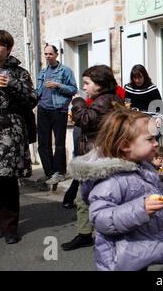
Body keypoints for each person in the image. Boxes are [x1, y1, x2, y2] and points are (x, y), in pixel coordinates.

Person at [69, 108, 163, 270]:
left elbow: (162, 197)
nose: (156, 143)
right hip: (118, 260)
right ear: (126, 145)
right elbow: (100, 218)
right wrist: (141, 209)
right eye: (150, 139)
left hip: (138, 252)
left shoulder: (145, 169)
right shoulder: (110, 180)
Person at [0, 29, 38, 248]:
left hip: (9, 133)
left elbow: (32, 99)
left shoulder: (18, 73)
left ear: (8, 49)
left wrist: (10, 86)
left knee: (7, 184)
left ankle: (9, 228)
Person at [61, 65, 124, 251]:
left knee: (85, 198)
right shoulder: (109, 99)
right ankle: (90, 234)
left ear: (100, 84)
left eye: (87, 83)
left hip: (97, 158)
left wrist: (78, 102)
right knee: (95, 197)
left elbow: (85, 120)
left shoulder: (103, 101)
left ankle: (87, 235)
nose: (85, 87)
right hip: (101, 156)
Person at [36, 44, 77, 190]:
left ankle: (59, 171)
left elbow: (73, 89)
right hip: (43, 109)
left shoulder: (65, 70)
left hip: (59, 109)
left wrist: (58, 85)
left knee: (59, 143)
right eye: (46, 54)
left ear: (56, 54)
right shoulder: (42, 72)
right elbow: (38, 90)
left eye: (50, 54)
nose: (48, 57)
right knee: (43, 143)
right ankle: (49, 172)